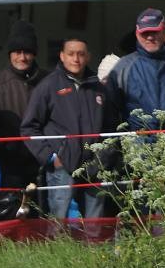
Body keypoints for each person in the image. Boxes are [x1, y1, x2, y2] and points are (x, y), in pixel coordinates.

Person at [21, 37, 120, 221]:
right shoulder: (48, 86)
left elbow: (112, 128)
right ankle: (60, 251)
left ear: (88, 57)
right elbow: (28, 128)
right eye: (71, 54)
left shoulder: (98, 88)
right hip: (62, 168)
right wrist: (51, 157)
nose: (76, 59)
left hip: (95, 167)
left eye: (81, 54)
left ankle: (93, 252)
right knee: (58, 225)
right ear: (62, 56)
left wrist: (104, 158)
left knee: (94, 225)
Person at [0, 21, 47, 199]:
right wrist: (8, 147)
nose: (22, 57)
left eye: (27, 52)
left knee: (48, 220)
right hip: (12, 171)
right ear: (9, 54)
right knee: (14, 220)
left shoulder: (50, 82)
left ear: (34, 54)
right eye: (17, 52)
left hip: (47, 167)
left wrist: (53, 152)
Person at [107, 8, 165, 130]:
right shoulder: (122, 68)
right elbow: (109, 114)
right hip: (138, 146)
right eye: (145, 33)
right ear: (137, 34)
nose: (150, 37)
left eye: (154, 32)